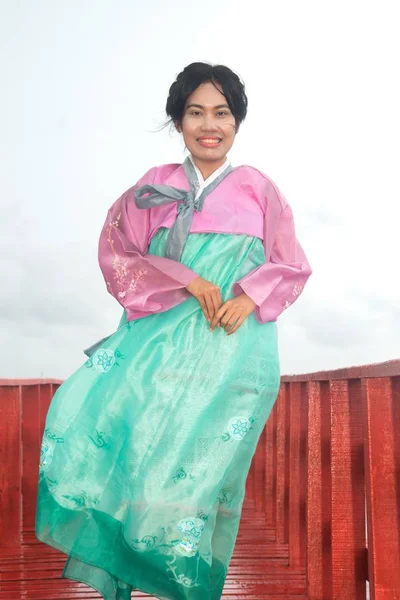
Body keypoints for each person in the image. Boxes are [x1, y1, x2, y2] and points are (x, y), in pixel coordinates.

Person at [36, 62, 312, 600]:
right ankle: (123, 576)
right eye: (195, 112)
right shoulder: (153, 186)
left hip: (233, 358)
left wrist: (250, 293)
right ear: (178, 121)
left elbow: (292, 263)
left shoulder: (260, 189)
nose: (210, 125)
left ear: (238, 121)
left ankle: (190, 588)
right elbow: (118, 254)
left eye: (222, 112)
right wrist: (187, 279)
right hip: (158, 358)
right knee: (137, 468)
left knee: (203, 480)